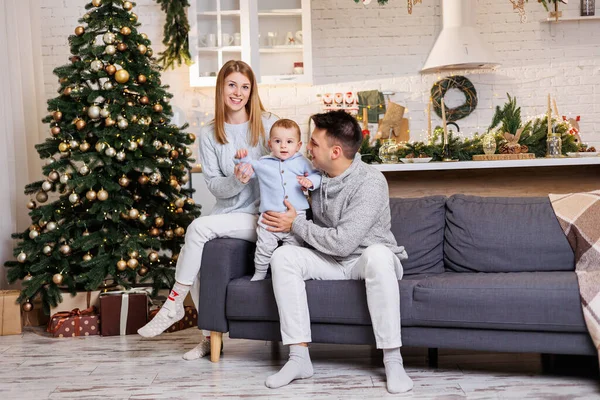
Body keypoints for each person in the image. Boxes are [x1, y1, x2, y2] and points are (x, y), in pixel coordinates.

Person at [260, 110, 414, 394]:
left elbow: (344, 242)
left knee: (379, 256)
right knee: (284, 257)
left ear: (335, 151)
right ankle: (298, 358)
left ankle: (393, 360)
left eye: (314, 143)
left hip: (366, 259)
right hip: (331, 260)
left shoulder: (370, 181)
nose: (307, 148)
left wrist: (295, 224)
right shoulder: (314, 176)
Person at [137, 60, 278, 361]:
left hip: (260, 217)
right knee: (200, 260)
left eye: (244, 86)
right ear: (221, 88)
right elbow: (214, 186)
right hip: (227, 216)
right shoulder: (211, 132)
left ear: (252, 91)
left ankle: (174, 303)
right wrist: (237, 180)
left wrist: (259, 171)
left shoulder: (267, 124)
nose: (237, 92)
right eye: (232, 85)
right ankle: (208, 337)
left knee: (197, 228)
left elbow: (287, 161)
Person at [234, 119, 321, 281]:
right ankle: (259, 273)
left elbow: (317, 176)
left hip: (297, 216)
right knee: (263, 247)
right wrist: (241, 159)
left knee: (293, 248)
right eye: (277, 141)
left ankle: (290, 274)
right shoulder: (264, 163)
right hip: (270, 217)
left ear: (298, 145)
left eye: (289, 142)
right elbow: (248, 170)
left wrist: (310, 182)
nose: (283, 146)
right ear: (269, 144)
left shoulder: (302, 162)